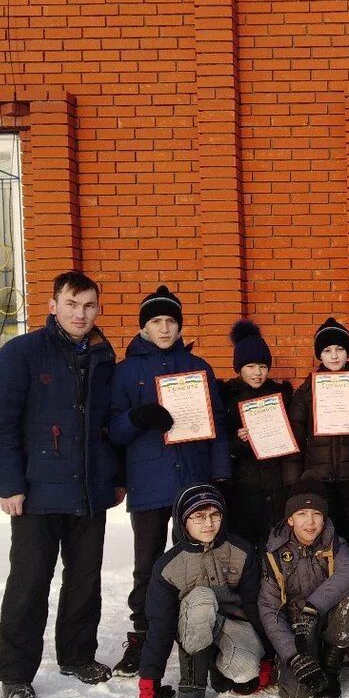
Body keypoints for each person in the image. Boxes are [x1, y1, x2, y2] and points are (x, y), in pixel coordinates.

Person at [0, 271, 122, 698]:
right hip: (37, 492)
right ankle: (16, 673)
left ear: (98, 308)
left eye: (89, 305)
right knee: (29, 582)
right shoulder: (22, 353)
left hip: (89, 491)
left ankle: (77, 655)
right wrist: (9, 484)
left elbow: (107, 424)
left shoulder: (102, 354)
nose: (81, 314)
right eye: (72, 304)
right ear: (53, 305)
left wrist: (114, 478)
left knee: (84, 580)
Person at [106, 286, 230, 677]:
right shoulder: (125, 372)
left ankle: (195, 635)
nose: (164, 328)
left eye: (171, 321)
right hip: (148, 482)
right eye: (156, 321)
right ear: (144, 326)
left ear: (180, 326)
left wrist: (220, 472)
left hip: (192, 481)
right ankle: (142, 635)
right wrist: (137, 417)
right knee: (148, 565)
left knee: (195, 562)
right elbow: (111, 429)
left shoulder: (198, 367)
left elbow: (217, 425)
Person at [136, 485, 263, 698]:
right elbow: (160, 624)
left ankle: (216, 665)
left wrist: (265, 658)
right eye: (199, 516)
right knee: (202, 599)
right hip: (193, 623)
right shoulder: (168, 566)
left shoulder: (241, 551)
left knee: (245, 672)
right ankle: (192, 684)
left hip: (231, 623)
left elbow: (256, 606)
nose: (209, 524)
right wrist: (150, 677)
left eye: (215, 515)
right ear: (184, 521)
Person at [258, 475, 349, 698]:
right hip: (297, 628)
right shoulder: (274, 553)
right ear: (290, 520)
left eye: (316, 514)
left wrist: (313, 607)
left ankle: (332, 668)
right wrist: (293, 656)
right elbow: (269, 609)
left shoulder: (334, 543)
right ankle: (304, 658)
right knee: (298, 695)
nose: (310, 521)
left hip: (324, 617)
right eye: (302, 514)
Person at [286, 317, 349, 558]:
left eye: (340, 349)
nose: (334, 356)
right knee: (320, 534)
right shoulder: (307, 390)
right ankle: (325, 588)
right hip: (318, 478)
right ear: (320, 355)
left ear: (348, 352)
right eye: (327, 350)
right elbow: (294, 436)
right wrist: (296, 480)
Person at [219, 319, 294, 549]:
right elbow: (220, 443)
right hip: (243, 487)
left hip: (276, 483)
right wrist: (238, 441)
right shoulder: (226, 397)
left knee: (277, 543)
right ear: (238, 367)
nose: (257, 373)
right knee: (246, 545)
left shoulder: (281, 396)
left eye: (262, 366)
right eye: (250, 366)